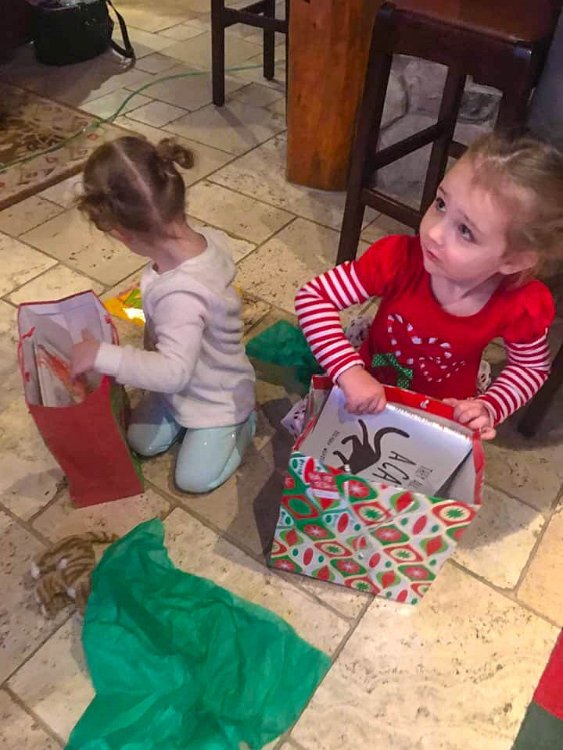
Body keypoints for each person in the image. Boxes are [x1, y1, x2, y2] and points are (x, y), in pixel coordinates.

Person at [295, 132, 562, 440]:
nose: (434, 232)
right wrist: (348, 370)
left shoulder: (520, 304)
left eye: (465, 231)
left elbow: (530, 368)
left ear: (513, 260)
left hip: (439, 414)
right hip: (366, 384)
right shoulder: (399, 259)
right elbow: (314, 298)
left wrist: (490, 406)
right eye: (441, 204)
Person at [71, 136, 256, 492]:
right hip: (182, 385)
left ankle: (241, 423)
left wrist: (102, 355)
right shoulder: (204, 240)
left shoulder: (181, 296)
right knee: (140, 441)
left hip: (217, 398)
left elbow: (172, 372)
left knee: (193, 480)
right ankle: (181, 416)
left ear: (121, 234)